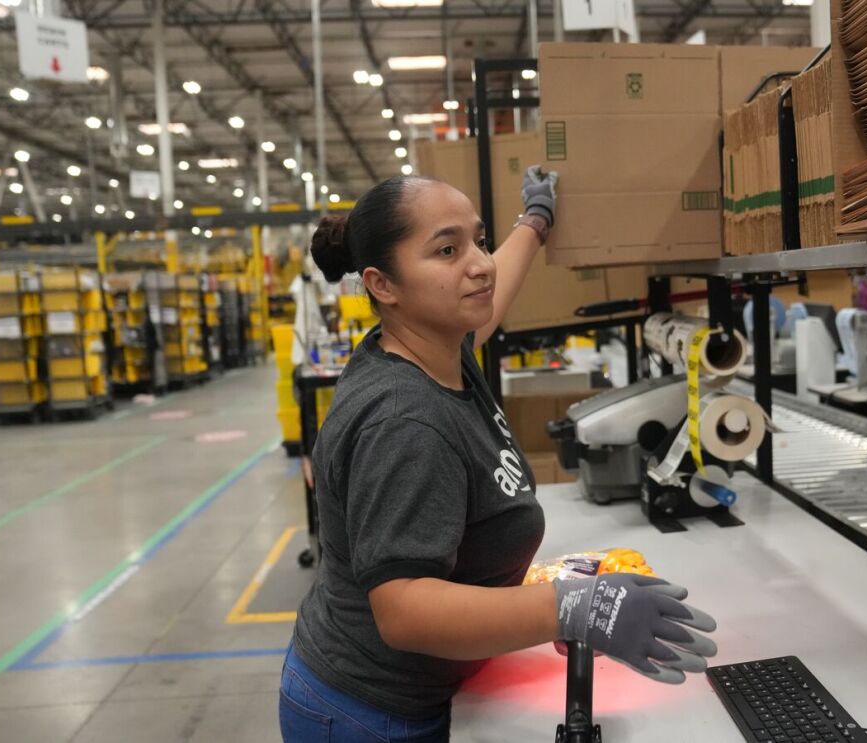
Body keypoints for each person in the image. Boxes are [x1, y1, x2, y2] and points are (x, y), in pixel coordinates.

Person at [281, 169, 719, 742]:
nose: (480, 263)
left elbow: (494, 289)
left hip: (413, 690)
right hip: (367, 713)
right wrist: (572, 606)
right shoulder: (405, 422)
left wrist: (535, 222)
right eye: (446, 249)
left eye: (478, 240)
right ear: (382, 285)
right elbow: (404, 609)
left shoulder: (435, 344)